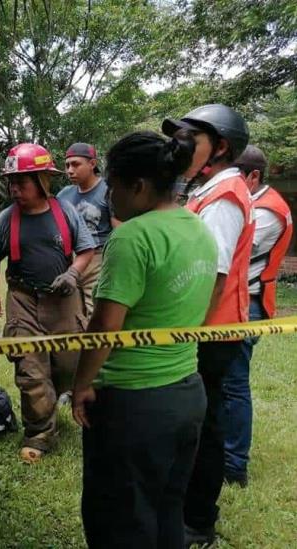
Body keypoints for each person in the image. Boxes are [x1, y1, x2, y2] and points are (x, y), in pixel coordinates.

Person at [71, 131, 217, 548]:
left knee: (118, 521)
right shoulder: (198, 229)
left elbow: (104, 327)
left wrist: (81, 386)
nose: (108, 197)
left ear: (137, 186)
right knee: (167, 508)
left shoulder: (133, 238)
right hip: (187, 394)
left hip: (133, 405)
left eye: (113, 186)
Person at [161, 103, 254, 547]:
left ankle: (198, 518)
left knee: (205, 425)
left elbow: (214, 275)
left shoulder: (225, 195)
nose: (180, 147)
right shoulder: (207, 190)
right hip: (203, 326)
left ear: (219, 147)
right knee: (195, 421)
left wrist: (188, 330)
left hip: (210, 329)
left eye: (189, 140)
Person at [0, 143, 94, 463]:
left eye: (22, 181)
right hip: (23, 299)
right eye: (11, 182)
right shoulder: (6, 219)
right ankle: (39, 432)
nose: (15, 188)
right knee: (31, 369)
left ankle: (54, 402)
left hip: (64, 300)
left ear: (43, 180)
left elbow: (86, 251)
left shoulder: (66, 212)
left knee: (68, 365)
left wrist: (73, 274)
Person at [222, 145, 293, 487]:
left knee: (234, 385)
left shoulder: (268, 211)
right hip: (232, 300)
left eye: (234, 176)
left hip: (247, 305)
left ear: (253, 176)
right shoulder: (249, 202)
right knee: (220, 380)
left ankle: (234, 465)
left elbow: (230, 249)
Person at [57, 143, 119, 319]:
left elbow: (120, 232)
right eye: (67, 165)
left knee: (96, 315)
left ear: (92, 164)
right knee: (71, 316)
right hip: (71, 259)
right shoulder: (63, 195)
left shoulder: (109, 191)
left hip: (99, 259)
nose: (70, 170)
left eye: (76, 164)